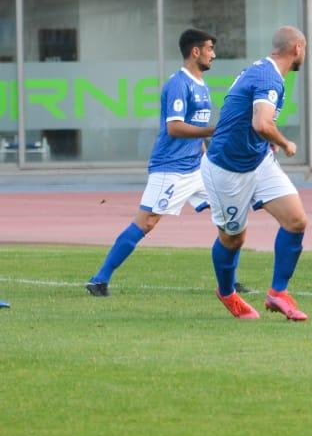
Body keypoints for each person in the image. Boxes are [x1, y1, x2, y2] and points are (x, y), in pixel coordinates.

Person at [86, 29, 247, 297]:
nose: (213, 54)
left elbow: (197, 129)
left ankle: (229, 281)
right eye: (209, 49)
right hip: (171, 167)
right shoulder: (178, 84)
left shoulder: (201, 85)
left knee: (229, 215)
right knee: (146, 222)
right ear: (195, 51)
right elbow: (174, 128)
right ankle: (99, 279)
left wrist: (209, 159)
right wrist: (213, 131)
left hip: (197, 168)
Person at [201, 25, 310, 321]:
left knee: (296, 221)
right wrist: (284, 142)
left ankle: (277, 293)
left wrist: (266, 145)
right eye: (305, 49)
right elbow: (261, 124)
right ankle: (227, 293)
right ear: (297, 48)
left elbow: (246, 117)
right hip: (226, 167)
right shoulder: (269, 77)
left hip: (258, 160)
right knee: (233, 238)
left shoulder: (265, 71)